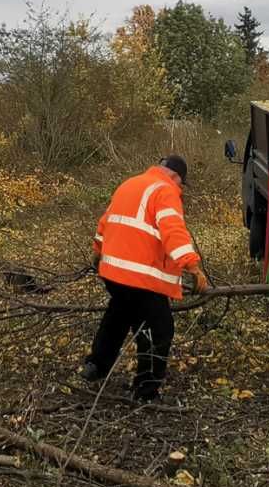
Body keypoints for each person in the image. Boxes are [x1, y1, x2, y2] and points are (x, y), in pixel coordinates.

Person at [81, 154, 210, 402]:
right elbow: (173, 230)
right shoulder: (165, 190)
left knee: (118, 315)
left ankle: (96, 365)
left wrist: (98, 253)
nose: (180, 188)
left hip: (114, 272)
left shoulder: (130, 184)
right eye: (181, 183)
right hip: (142, 277)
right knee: (159, 329)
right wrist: (192, 267)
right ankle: (146, 389)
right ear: (175, 177)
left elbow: (105, 223)